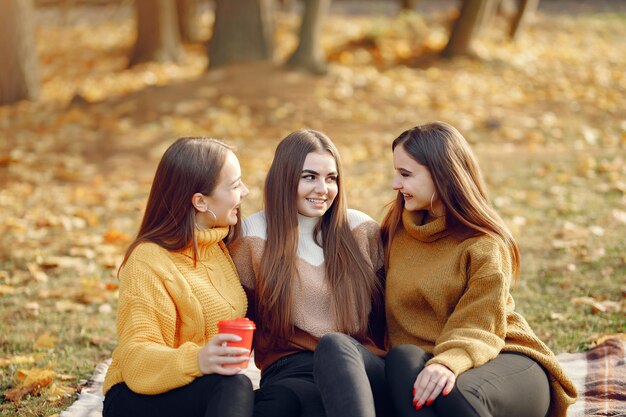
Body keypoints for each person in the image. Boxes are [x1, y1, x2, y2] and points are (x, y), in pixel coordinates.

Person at [381, 121, 578, 417]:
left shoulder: (482, 244)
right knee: (402, 363)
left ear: (441, 176)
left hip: (502, 355)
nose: (396, 184)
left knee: (449, 392)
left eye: (405, 174)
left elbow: (480, 322)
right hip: (429, 365)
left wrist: (449, 362)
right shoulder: (395, 233)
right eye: (396, 172)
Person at [229, 129, 391, 417]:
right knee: (279, 405)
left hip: (359, 366)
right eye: (309, 177)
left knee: (335, 348)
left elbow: (385, 317)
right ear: (284, 178)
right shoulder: (252, 239)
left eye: (331, 178)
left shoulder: (360, 230)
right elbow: (242, 318)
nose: (322, 189)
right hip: (292, 370)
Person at [102, 137, 254, 417]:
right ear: (200, 201)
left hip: (201, 388)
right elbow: (136, 359)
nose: (245, 191)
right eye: (234, 185)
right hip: (138, 397)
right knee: (234, 388)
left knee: (282, 399)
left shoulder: (220, 247)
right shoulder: (148, 260)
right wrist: (198, 359)